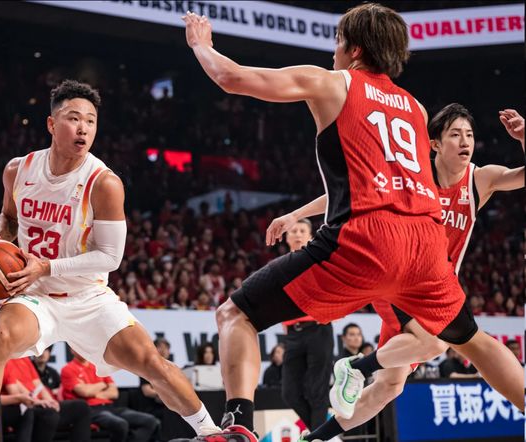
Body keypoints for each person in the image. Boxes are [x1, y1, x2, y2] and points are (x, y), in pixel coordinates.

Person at [182, 5, 523, 441]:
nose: (333, 51)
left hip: (366, 240)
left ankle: (238, 427)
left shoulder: (332, 82)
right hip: (427, 246)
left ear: (354, 48)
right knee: (472, 339)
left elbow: (231, 77)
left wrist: (202, 45)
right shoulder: (416, 109)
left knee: (236, 314)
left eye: (338, 41)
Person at [0, 80, 215, 442]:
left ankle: (211, 431)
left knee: (150, 362)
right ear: (51, 124)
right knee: (0, 338)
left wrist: (46, 266)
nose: (83, 128)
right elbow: (9, 218)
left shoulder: (104, 182)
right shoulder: (18, 169)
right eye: (74, 118)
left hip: (88, 297)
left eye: (91, 121)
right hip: (36, 295)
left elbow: (111, 257)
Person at [281, 105, 525, 441]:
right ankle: (355, 367)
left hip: (435, 290)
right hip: (397, 278)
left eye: (469, 135)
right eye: (455, 134)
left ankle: (315, 438)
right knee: (437, 342)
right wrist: (296, 214)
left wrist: (524, 137)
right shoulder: (413, 176)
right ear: (435, 144)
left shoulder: (480, 179)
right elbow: (352, 190)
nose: (465, 141)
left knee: (389, 385)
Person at [275, 219, 333, 430]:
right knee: (289, 393)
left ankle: (317, 437)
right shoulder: (280, 265)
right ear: (286, 237)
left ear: (310, 235)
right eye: (293, 231)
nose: (298, 234)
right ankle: (323, 434)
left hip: (318, 328)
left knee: (317, 390)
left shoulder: (321, 259)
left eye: (302, 230)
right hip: (292, 333)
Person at [61, 348, 159, 442]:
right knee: (120, 424)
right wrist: (102, 384)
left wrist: (93, 391)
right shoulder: (68, 369)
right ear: (72, 350)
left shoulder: (98, 367)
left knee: (150, 421)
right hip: (91, 410)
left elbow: (114, 393)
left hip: (111, 407)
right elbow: (85, 392)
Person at [1, 355, 92, 442]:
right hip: (28, 404)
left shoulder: (25, 359)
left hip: (39, 402)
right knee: (49, 414)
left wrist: (51, 401)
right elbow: (17, 391)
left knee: (81, 407)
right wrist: (38, 401)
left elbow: (39, 384)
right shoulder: (6, 360)